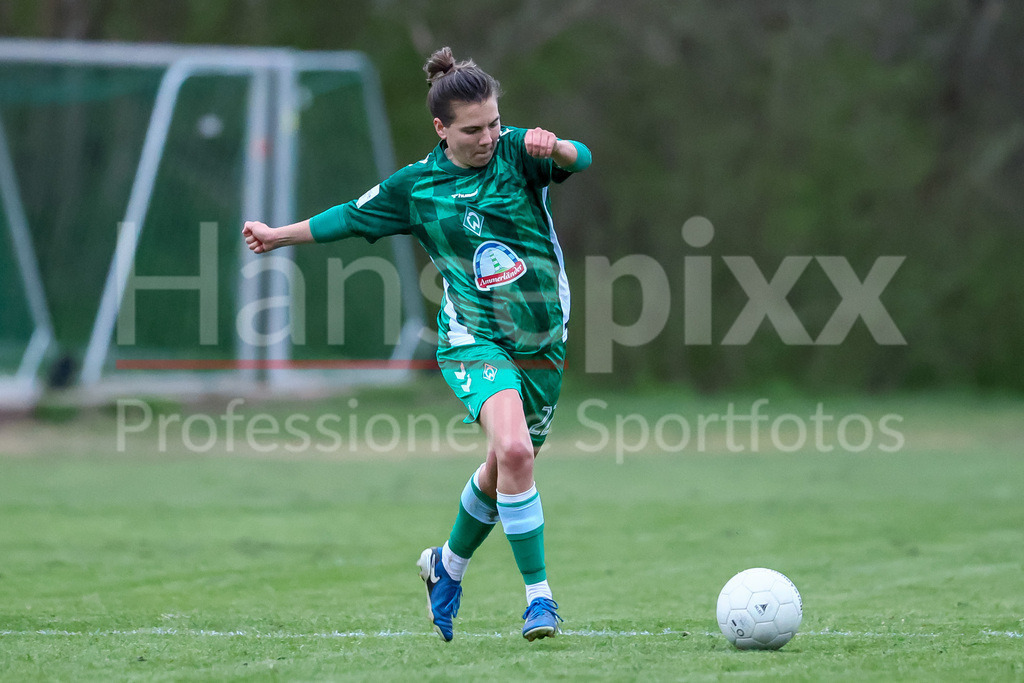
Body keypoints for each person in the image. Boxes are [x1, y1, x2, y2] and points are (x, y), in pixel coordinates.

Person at [242, 46, 592, 642]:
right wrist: (278, 236)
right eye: (472, 130)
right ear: (441, 129)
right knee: (515, 451)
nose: (488, 138)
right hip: (473, 338)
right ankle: (540, 600)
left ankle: (445, 567)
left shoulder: (517, 154)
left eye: (494, 124)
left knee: (503, 467)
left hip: (541, 340)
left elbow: (580, 158)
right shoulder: (418, 186)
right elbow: (349, 216)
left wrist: (554, 146)